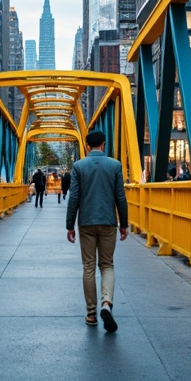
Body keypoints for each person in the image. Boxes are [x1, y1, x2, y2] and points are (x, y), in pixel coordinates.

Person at [66, 130, 128, 332]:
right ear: (103, 144)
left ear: (86, 145)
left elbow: (74, 197)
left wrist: (69, 225)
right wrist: (124, 224)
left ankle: (91, 313)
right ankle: (106, 304)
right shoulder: (115, 165)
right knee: (107, 265)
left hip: (86, 223)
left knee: (89, 267)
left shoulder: (78, 166)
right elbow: (120, 197)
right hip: (109, 221)